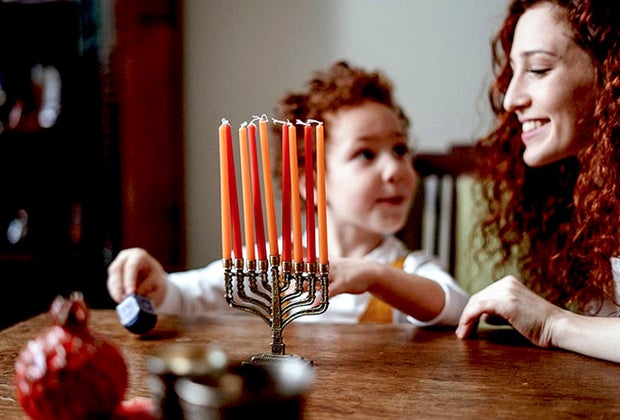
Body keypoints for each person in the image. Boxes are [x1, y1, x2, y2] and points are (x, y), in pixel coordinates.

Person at [107, 61, 469, 326]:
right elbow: (189, 295)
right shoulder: (274, 264)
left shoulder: (405, 271)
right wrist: (156, 283)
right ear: (310, 183)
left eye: (401, 150)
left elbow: (455, 307)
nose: (395, 170)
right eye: (366, 154)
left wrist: (374, 276)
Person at [455, 0, 620, 362]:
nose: (511, 99)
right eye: (511, 72)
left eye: (539, 69)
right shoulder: (585, 190)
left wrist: (551, 324)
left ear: (609, 71)